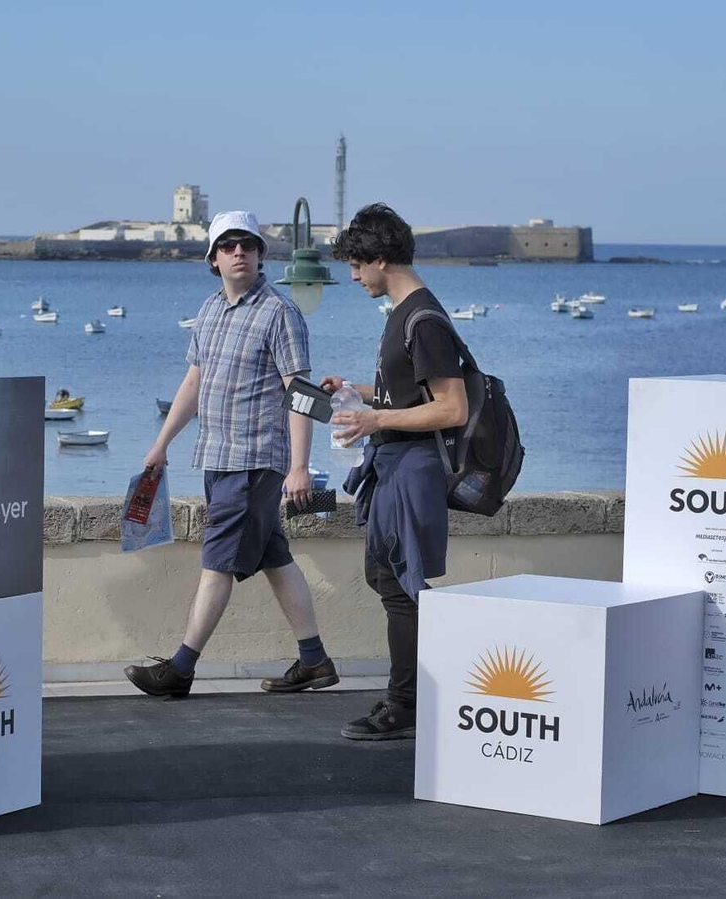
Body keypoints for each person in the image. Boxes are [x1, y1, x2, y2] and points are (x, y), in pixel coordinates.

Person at [124, 210, 337, 698]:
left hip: (254, 461)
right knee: (274, 557)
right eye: (228, 245)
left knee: (217, 564)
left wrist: (300, 466)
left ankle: (180, 667)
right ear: (213, 259)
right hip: (216, 457)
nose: (238, 252)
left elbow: (301, 391)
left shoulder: (280, 313)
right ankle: (314, 659)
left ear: (262, 255)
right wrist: (161, 445)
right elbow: (194, 382)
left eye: (248, 244)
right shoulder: (209, 310)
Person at [323, 203, 468, 740]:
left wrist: (375, 417)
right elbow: (410, 393)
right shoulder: (405, 316)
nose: (353, 276)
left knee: (401, 584)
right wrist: (359, 393)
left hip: (411, 467)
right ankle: (415, 697)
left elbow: (452, 409)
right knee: (388, 578)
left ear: (381, 259)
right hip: (394, 464)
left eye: (357, 266)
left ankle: (407, 704)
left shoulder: (422, 320)